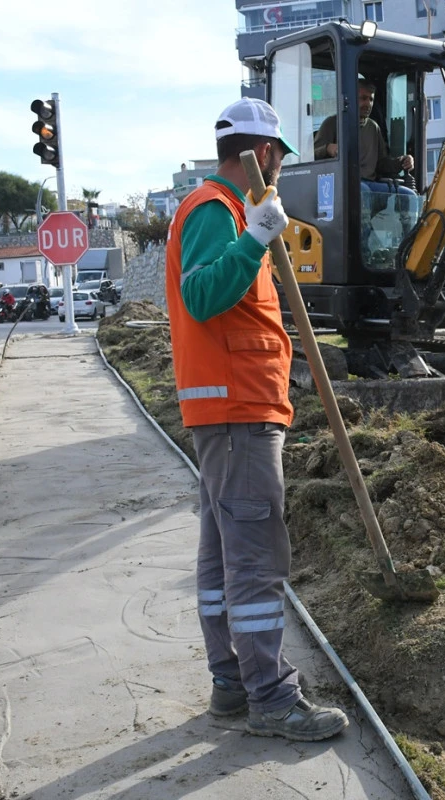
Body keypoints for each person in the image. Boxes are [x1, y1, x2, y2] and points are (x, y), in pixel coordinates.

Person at [164, 97, 348, 742]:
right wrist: (254, 240)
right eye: (278, 159)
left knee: (222, 557)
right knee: (256, 558)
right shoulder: (218, 210)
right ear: (264, 154)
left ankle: (232, 685)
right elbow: (203, 293)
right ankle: (271, 698)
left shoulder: (221, 208)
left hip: (230, 407)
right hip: (238, 408)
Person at [314, 79, 416, 191]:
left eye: (371, 99)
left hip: (371, 184)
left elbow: (381, 163)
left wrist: (401, 161)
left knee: (407, 194)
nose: (368, 104)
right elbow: (311, 155)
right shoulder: (332, 123)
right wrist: (328, 148)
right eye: (363, 98)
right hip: (342, 185)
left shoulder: (373, 127)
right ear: (352, 98)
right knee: (362, 191)